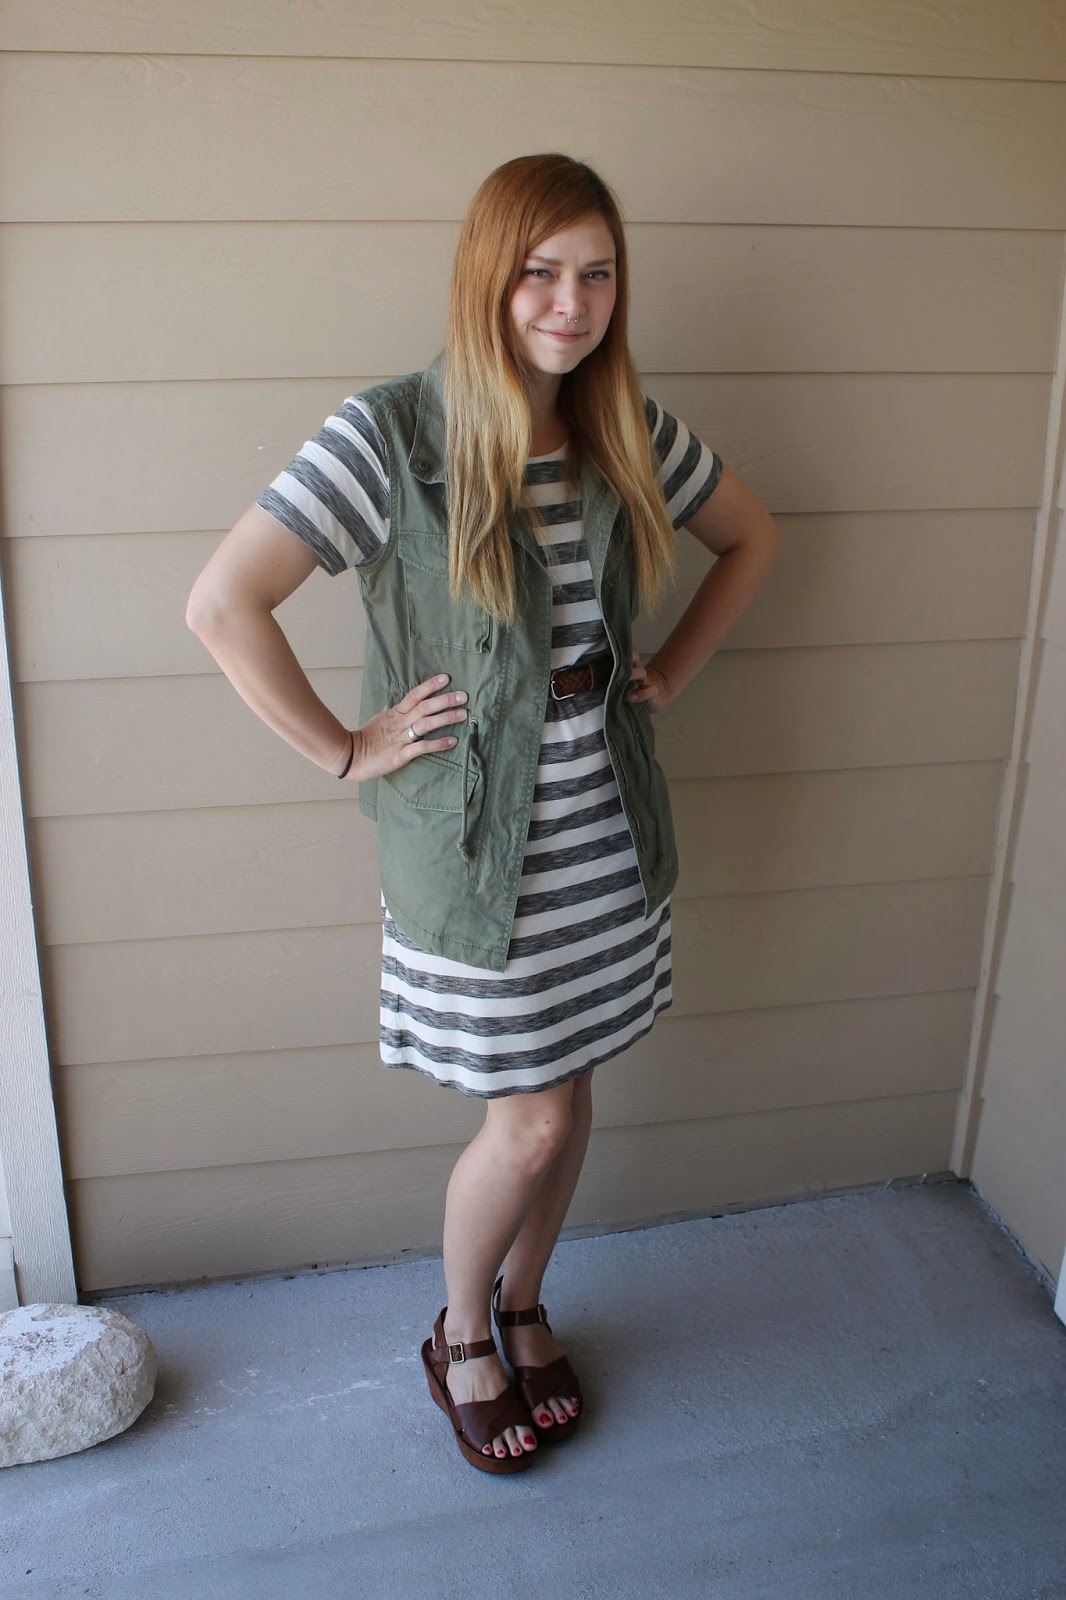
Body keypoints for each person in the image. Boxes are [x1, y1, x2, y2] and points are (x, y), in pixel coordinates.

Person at [186, 152, 779, 1475]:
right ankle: (460, 1331)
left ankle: (522, 1303)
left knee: (571, 1090)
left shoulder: (625, 429)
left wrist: (672, 670)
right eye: (539, 273)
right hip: (476, 848)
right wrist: (345, 750)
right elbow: (223, 604)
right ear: (486, 279)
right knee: (531, 1119)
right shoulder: (390, 436)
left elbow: (754, 537)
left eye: (597, 275)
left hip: (603, 834)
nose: (571, 303)